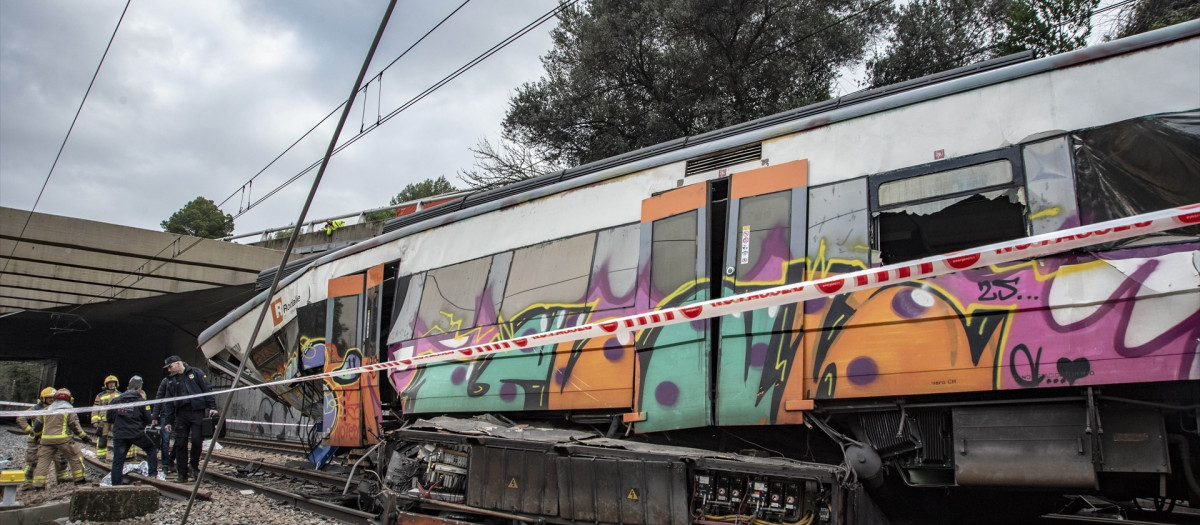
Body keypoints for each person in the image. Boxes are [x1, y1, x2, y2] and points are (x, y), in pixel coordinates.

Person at [161, 355, 217, 483]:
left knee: (197, 441)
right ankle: (182, 473)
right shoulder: (170, 380)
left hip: (197, 412)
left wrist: (212, 407)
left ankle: (194, 467)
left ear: (178, 363)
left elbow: (207, 389)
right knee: (180, 444)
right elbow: (168, 402)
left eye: (170, 366)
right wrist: (168, 420)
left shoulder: (195, 373)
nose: (169, 370)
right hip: (181, 414)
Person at [27, 388, 92, 490]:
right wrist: (84, 437)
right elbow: (74, 426)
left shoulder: (46, 410)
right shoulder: (69, 410)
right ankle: (79, 479)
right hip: (63, 440)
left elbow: (37, 426)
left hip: (46, 440)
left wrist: (35, 436)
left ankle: (38, 485)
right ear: (69, 398)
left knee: (43, 462)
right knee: (75, 456)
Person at [107, 376, 158, 486]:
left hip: (120, 435)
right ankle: (153, 475)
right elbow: (148, 419)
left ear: (127, 388)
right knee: (151, 448)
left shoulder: (115, 400)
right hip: (136, 434)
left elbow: (109, 418)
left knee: (118, 461)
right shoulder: (141, 401)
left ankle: (115, 485)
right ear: (139, 389)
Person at [15, 387, 69, 486]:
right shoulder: (36, 409)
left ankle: (62, 480)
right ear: (43, 398)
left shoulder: (58, 408)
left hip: (52, 439)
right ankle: (27, 483)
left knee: (61, 460)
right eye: (49, 398)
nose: (52, 400)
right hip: (36, 439)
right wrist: (30, 431)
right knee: (33, 462)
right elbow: (21, 418)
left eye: (53, 398)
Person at [91, 374, 121, 461]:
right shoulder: (100, 396)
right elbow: (95, 408)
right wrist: (94, 421)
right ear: (106, 384)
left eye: (113, 383)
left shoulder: (120, 395)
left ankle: (118, 457)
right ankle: (101, 457)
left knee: (118, 439)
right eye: (110, 383)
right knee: (102, 440)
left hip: (115, 421)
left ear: (116, 384)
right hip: (103, 422)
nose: (111, 385)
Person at [149, 376, 176, 474]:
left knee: (180, 440)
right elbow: (159, 397)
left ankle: (171, 459)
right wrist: (155, 416)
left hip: (179, 414)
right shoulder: (166, 381)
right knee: (165, 441)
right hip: (166, 414)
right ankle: (165, 465)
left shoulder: (184, 379)